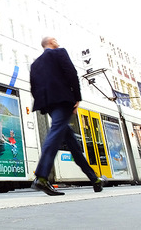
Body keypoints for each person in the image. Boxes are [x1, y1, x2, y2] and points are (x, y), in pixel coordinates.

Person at [29, 36, 106, 196]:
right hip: (63, 99)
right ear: (50, 43)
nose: (57, 41)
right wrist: (77, 97)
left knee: (72, 144)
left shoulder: (35, 64)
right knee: (56, 131)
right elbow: (71, 74)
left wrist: (44, 103)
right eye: (55, 39)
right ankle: (41, 176)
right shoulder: (60, 53)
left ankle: (95, 179)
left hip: (47, 103)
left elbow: (34, 87)